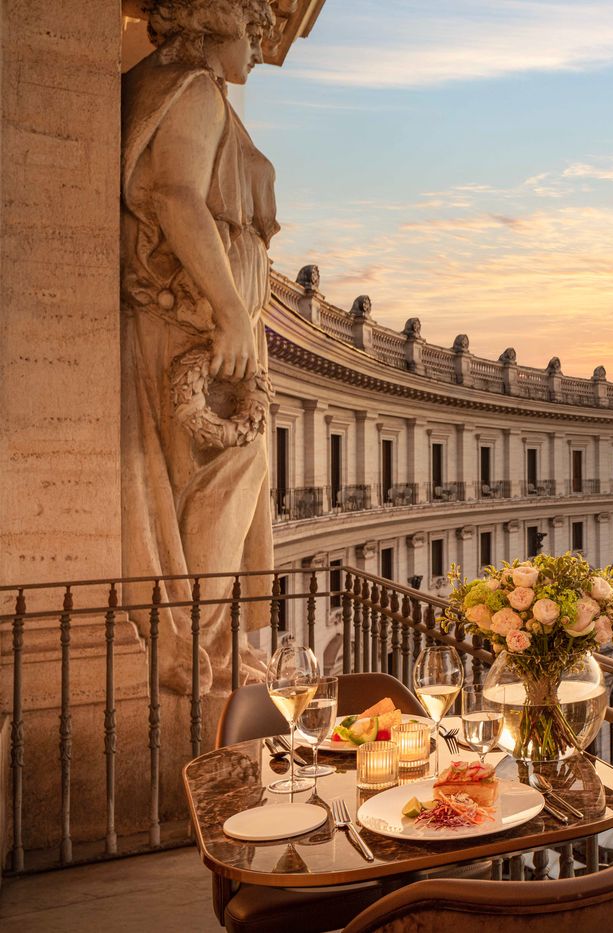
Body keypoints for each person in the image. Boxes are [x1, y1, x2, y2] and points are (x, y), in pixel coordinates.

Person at [122, 0, 280, 692]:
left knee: (211, 477)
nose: (259, 47)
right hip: (199, 324)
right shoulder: (192, 88)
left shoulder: (180, 87)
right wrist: (232, 312)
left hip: (202, 318)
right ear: (216, 21)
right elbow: (177, 197)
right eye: (254, 30)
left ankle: (205, 641)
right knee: (227, 472)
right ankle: (196, 645)